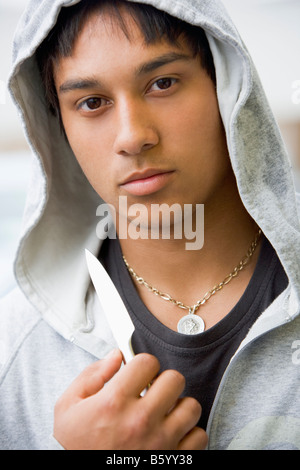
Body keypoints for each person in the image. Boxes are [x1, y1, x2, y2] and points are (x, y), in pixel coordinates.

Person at [0, 0, 299, 451]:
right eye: (92, 102)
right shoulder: (15, 348)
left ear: (228, 86)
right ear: (57, 126)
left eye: (163, 83)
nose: (132, 135)